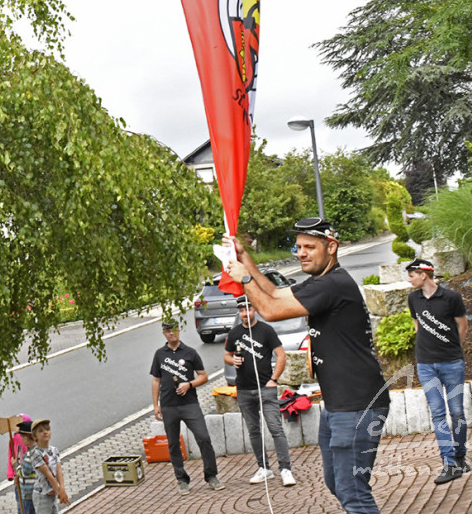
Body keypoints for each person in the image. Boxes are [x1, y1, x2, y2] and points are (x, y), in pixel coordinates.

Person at [227, 217, 391, 514]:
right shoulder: (321, 282)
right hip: (338, 405)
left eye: (309, 247)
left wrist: (244, 280)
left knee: (353, 492)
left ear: (331, 247)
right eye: (298, 246)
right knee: (336, 484)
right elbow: (275, 292)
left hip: (357, 404)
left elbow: (270, 310)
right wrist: (244, 257)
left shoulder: (334, 284)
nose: (300, 253)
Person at [406, 258, 470, 484]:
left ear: (424, 275)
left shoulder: (452, 298)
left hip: (452, 364)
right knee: (438, 414)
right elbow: (418, 326)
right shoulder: (412, 298)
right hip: (425, 366)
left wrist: (453, 349)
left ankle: (460, 456)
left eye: (412, 274)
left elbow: (462, 325)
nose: (409, 279)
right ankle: (449, 463)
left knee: (457, 412)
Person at [223, 296, 296, 486]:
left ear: (254, 310)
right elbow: (227, 355)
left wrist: (274, 380)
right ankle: (264, 468)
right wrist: (233, 361)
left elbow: (281, 355)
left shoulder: (266, 330)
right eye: (241, 310)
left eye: (248, 309)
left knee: (275, 428)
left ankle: (285, 469)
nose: (245, 314)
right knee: (254, 431)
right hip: (244, 390)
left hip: (265, 388)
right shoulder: (235, 333)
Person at [150, 321, 224, 495]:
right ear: (163, 333)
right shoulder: (159, 354)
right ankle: (182, 479)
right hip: (168, 406)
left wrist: (189, 385)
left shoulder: (190, 352)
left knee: (203, 438)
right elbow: (155, 380)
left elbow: (203, 376)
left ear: (179, 330)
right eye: (167, 331)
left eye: (174, 330)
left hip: (189, 404)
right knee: (174, 444)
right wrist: (155, 405)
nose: (171, 334)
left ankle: (211, 476)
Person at [26, 419, 68, 514]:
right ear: (34, 436)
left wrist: (62, 488)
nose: (45, 432)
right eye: (41, 431)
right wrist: (60, 492)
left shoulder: (54, 450)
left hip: (53, 493)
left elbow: (58, 471)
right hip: (42, 495)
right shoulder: (36, 453)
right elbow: (48, 474)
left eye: (47, 430)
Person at [13, 420, 37, 514]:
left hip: (29, 493)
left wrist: (15, 465)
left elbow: (24, 472)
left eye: (22, 437)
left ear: (26, 438)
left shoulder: (30, 455)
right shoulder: (39, 450)